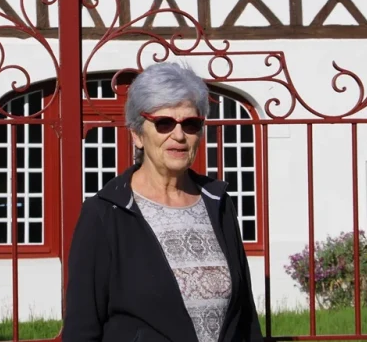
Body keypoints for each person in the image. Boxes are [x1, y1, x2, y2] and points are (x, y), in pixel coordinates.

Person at [63, 62, 265, 342]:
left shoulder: (218, 202)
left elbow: (245, 317)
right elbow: (82, 329)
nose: (179, 135)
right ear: (137, 134)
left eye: (191, 124)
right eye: (164, 123)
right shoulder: (105, 213)